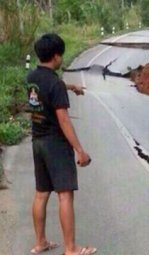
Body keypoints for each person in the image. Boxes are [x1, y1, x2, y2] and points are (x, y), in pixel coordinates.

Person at [26, 33, 97, 255]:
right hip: (55, 144)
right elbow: (64, 120)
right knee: (65, 195)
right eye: (61, 56)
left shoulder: (31, 78)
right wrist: (79, 150)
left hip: (37, 142)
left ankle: (40, 243)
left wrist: (70, 86)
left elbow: (47, 87)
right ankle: (71, 249)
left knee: (41, 193)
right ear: (56, 57)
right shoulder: (55, 84)